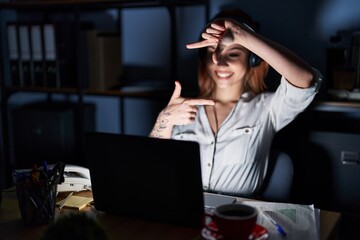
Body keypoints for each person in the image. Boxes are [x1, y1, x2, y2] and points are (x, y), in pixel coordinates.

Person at [150, 8, 322, 198]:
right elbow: (152, 169)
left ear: (252, 60)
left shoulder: (267, 108)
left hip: (237, 216)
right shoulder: (180, 108)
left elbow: (306, 81)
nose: (221, 64)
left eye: (234, 54)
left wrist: (243, 36)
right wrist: (163, 120)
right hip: (184, 211)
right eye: (212, 54)